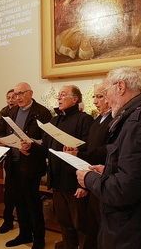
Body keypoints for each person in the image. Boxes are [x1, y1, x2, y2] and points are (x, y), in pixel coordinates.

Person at [76, 66, 141, 249]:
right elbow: (137, 171)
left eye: (106, 91)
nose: (107, 99)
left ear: (121, 86)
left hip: (136, 231)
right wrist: (108, 170)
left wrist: (89, 178)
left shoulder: (140, 123)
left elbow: (123, 190)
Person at [22, 85, 93, 249]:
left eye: (63, 95)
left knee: (81, 225)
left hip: (75, 181)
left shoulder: (84, 119)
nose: (59, 98)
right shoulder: (54, 120)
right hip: (57, 181)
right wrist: (31, 146)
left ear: (75, 99)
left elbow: (89, 150)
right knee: (64, 223)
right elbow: (46, 148)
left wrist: (77, 151)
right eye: (59, 95)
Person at [0, 82, 52, 249]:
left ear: (30, 93)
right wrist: (2, 142)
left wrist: (32, 146)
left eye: (21, 93)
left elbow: (48, 141)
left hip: (31, 166)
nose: (17, 97)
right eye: (15, 94)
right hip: (13, 164)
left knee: (32, 203)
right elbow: (9, 134)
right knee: (19, 201)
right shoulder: (12, 111)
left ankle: (39, 239)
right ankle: (24, 234)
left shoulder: (42, 112)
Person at [64, 82, 112, 249]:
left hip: (105, 179)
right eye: (94, 96)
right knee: (92, 226)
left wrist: (80, 154)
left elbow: (107, 151)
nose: (95, 101)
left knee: (101, 227)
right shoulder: (98, 119)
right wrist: (77, 150)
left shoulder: (114, 119)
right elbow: (90, 146)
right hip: (91, 178)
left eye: (100, 96)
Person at [0, 88, 18, 233]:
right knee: (8, 193)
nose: (11, 99)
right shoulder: (2, 113)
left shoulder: (24, 112)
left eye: (14, 96)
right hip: (9, 156)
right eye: (8, 97)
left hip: (22, 155)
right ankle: (7, 221)